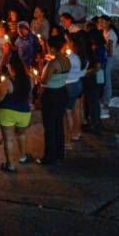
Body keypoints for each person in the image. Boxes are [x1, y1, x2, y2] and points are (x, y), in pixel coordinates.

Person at [0, 53, 33, 171]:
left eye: (8, 64)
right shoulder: (29, 78)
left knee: (8, 139)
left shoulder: (7, 82)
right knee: (21, 134)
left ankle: (10, 165)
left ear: (11, 66)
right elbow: (30, 94)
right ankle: (22, 157)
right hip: (24, 112)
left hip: (8, 112)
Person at [37, 34, 70, 165]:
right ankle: (59, 153)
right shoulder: (66, 60)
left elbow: (44, 80)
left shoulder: (53, 63)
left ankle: (49, 157)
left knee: (49, 127)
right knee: (58, 125)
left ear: (52, 48)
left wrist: (39, 70)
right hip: (62, 92)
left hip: (51, 95)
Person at [64, 33, 87, 146]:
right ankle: (77, 132)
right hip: (78, 83)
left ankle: (67, 140)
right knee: (76, 109)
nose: (66, 43)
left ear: (72, 43)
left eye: (67, 41)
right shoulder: (83, 55)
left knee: (67, 113)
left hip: (69, 86)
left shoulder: (72, 58)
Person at [99, 17, 118, 109]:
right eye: (99, 22)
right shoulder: (104, 32)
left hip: (109, 58)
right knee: (104, 78)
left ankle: (107, 100)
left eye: (102, 21)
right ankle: (104, 98)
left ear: (108, 22)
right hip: (106, 58)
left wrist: (103, 46)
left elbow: (110, 52)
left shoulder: (111, 34)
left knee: (107, 79)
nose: (100, 23)